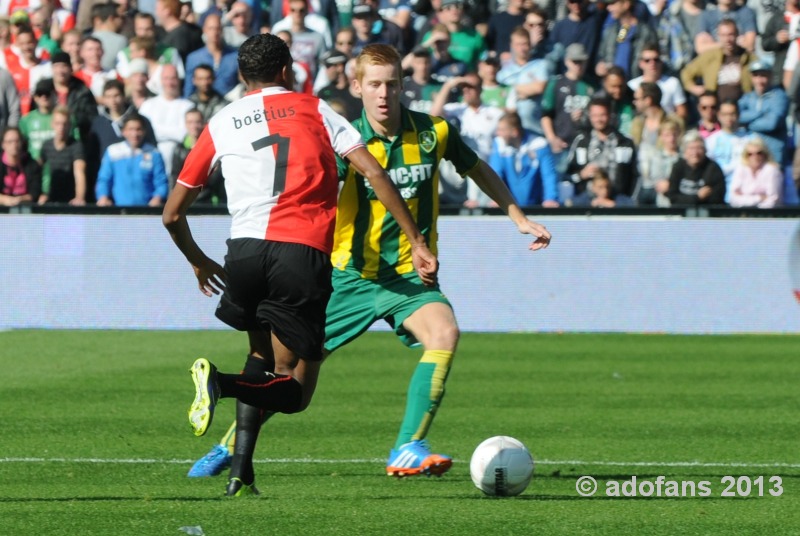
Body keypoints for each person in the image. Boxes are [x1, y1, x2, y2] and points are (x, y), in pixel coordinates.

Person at [184, 43, 552, 487]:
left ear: (402, 85)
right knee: (293, 379)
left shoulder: (435, 131)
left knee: (445, 332)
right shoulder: (335, 135)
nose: (383, 94)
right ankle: (228, 446)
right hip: (347, 278)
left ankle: (407, 447)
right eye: (374, 84)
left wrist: (517, 215)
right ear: (356, 86)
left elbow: (477, 169)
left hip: (409, 279)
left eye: (392, 84)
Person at [166, 35, 439, 496]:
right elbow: (373, 171)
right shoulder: (314, 109)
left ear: (240, 77)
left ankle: (241, 473)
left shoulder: (221, 121)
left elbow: (171, 214)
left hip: (245, 254)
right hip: (301, 253)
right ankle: (218, 382)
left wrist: (198, 261)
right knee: (293, 391)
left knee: (259, 359)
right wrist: (416, 239)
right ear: (288, 72)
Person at [489, 111, 559, 207]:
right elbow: (496, 174)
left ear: (514, 132)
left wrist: (551, 198)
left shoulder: (539, 145)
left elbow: (548, 175)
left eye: (502, 130)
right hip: (510, 208)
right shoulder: (499, 145)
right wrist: (496, 198)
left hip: (536, 206)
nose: (498, 133)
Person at [96, 113, 168, 206]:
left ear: (144, 131)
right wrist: (103, 197)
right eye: (130, 129)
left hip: (147, 211)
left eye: (138, 129)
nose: (135, 134)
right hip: (119, 210)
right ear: (123, 131)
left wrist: (158, 197)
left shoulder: (154, 153)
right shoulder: (113, 152)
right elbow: (104, 179)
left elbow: (161, 182)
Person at [737, 59, 789, 165]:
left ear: (770, 76)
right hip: (751, 151)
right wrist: (760, 113)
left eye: (763, 76)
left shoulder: (779, 96)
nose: (759, 80)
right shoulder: (748, 97)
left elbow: (772, 124)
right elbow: (737, 116)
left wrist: (747, 124)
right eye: (756, 76)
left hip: (773, 150)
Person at [38, 106, 86, 205]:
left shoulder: (76, 146)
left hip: (71, 199)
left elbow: (79, 172)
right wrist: (40, 194)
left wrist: (79, 197)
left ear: (70, 125)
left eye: (65, 124)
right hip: (52, 196)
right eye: (58, 123)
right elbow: (37, 170)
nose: (61, 128)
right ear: (52, 124)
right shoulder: (47, 145)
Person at [666, 130, 726, 205]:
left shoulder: (713, 168)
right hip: (681, 213)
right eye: (691, 148)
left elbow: (717, 198)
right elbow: (673, 197)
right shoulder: (678, 167)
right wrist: (697, 197)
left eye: (699, 148)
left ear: (705, 150)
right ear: (684, 151)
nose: (695, 153)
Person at [728, 136, 784, 208]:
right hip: (743, 213)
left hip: (768, 215)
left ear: (765, 154)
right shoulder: (741, 169)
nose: (755, 157)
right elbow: (733, 198)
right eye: (750, 154)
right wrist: (759, 198)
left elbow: (773, 200)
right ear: (745, 155)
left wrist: (744, 199)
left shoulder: (772, 170)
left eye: (759, 153)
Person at [0, 126, 42, 206]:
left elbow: (35, 192)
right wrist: (5, 199)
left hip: (26, 210)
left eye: (17, 141)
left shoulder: (32, 165)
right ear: (3, 144)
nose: (14, 145)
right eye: (10, 142)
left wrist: (19, 200)